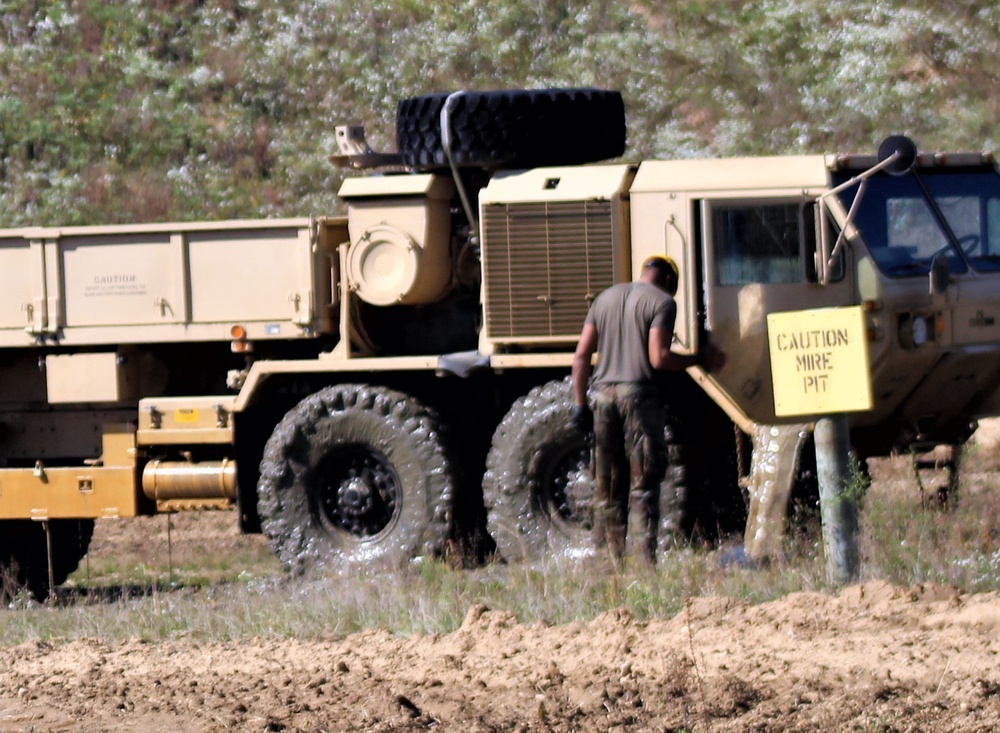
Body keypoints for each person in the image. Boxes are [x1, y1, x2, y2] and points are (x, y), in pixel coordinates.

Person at [571, 254, 725, 563]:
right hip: (637, 399)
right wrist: (698, 359)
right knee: (644, 484)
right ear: (669, 280)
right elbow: (659, 358)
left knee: (608, 486)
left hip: (602, 397)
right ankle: (644, 563)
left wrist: (579, 404)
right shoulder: (663, 302)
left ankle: (611, 562)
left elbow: (581, 355)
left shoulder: (604, 298)